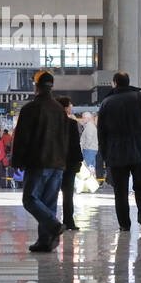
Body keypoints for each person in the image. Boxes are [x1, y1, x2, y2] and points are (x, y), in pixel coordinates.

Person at [11, 71, 70, 252]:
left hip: (38, 162)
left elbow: (22, 138)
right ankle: (45, 241)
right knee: (48, 202)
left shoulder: (30, 109)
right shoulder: (60, 110)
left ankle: (53, 225)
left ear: (35, 86)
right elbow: (65, 138)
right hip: (58, 163)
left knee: (30, 199)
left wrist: (17, 160)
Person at [97, 70, 141, 231]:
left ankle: (124, 224)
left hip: (116, 154)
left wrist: (105, 154)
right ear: (128, 81)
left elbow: (101, 132)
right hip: (138, 151)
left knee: (120, 191)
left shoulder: (107, 102)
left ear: (114, 83)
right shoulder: (140, 97)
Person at [57, 96, 84, 231]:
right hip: (69, 162)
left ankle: (51, 221)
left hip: (54, 162)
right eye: (70, 105)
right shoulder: (72, 124)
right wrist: (79, 160)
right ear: (65, 107)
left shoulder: (51, 123)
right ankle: (68, 221)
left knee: (51, 192)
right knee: (68, 193)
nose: (71, 106)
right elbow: (75, 145)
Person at [80, 112, 98, 178]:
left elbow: (88, 139)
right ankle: (92, 184)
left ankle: (89, 184)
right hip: (92, 150)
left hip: (89, 150)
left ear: (88, 118)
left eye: (83, 118)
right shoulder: (91, 126)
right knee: (91, 168)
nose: (82, 119)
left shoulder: (89, 126)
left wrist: (84, 148)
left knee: (88, 168)